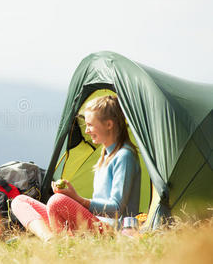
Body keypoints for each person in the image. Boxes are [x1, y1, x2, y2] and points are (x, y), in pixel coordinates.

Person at [11, 95, 141, 241]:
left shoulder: (124, 156)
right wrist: (73, 198)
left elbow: (116, 209)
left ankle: (64, 243)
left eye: (90, 125)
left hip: (110, 230)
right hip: (93, 222)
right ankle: (50, 239)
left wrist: (78, 199)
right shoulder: (105, 155)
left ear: (109, 124)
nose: (86, 131)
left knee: (57, 201)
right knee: (20, 201)